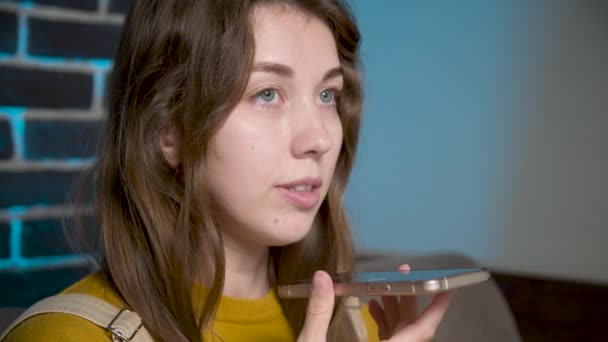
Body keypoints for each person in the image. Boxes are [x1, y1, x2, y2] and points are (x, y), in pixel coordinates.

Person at [2, 0, 454, 341]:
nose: (318, 138)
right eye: (267, 94)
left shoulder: (359, 325)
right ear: (168, 130)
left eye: (327, 95)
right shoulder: (64, 335)